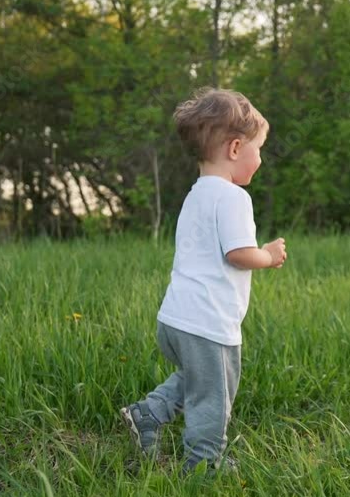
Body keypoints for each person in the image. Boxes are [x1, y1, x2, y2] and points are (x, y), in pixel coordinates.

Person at [120, 88, 287, 476]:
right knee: (214, 394)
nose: (260, 159)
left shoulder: (195, 195)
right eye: (258, 149)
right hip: (208, 324)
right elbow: (238, 253)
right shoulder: (232, 198)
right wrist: (268, 254)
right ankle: (203, 464)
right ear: (234, 148)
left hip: (177, 319)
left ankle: (149, 413)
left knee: (198, 378)